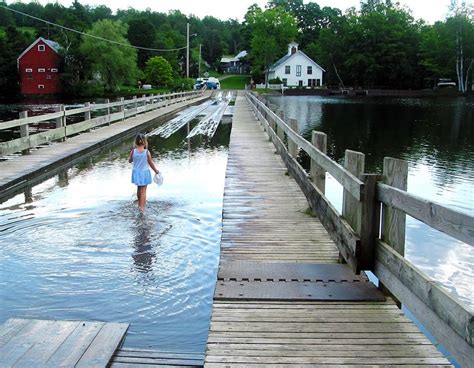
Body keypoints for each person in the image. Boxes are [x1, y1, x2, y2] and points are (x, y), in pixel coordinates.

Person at [128, 133, 159, 211]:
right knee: (143, 191)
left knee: (139, 189)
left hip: (136, 173)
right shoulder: (146, 152)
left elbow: (129, 160)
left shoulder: (133, 151)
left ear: (136, 142)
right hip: (144, 173)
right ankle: (142, 209)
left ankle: (139, 205)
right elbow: (150, 163)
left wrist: (133, 158)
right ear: (144, 142)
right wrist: (156, 171)